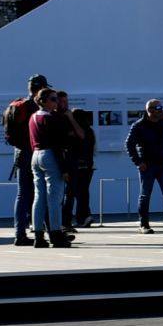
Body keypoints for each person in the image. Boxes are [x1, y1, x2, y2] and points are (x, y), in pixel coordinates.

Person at [4, 74, 49, 246]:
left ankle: (19, 233)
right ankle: (47, 230)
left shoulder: (18, 105)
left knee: (22, 194)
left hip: (20, 154)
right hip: (36, 152)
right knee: (42, 193)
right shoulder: (35, 107)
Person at [27, 89, 74, 248]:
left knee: (39, 197)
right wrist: (64, 169)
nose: (56, 102)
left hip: (36, 155)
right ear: (44, 101)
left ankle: (38, 236)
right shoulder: (51, 119)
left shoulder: (33, 117)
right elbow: (57, 145)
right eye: (53, 99)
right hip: (50, 155)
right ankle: (56, 234)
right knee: (55, 198)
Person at [127, 98, 163, 234]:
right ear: (150, 110)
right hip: (148, 165)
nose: (161, 110)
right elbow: (129, 144)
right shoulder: (138, 125)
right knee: (145, 194)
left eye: (161, 108)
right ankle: (143, 224)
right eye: (158, 108)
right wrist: (138, 162)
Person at [56, 93, 94, 229]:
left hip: (73, 161)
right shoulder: (52, 117)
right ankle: (58, 222)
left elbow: (82, 136)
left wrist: (71, 120)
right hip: (59, 159)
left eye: (66, 101)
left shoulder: (71, 120)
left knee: (73, 193)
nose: (64, 104)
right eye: (61, 101)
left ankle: (67, 221)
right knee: (71, 193)